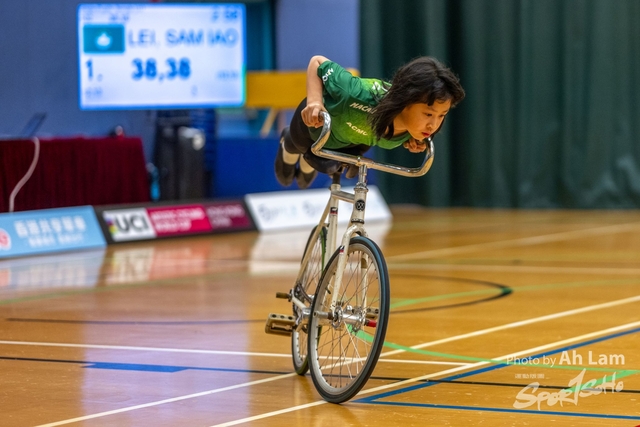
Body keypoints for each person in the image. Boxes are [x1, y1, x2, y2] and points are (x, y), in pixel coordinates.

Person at [275, 55, 465, 189]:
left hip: (349, 142)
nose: (433, 125)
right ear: (406, 101)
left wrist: (412, 138)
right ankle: (288, 142)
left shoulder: (415, 131)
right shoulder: (356, 93)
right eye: (428, 114)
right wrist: (314, 102)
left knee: (321, 169)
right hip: (313, 129)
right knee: (292, 162)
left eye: (442, 115)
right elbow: (317, 62)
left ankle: (309, 162)